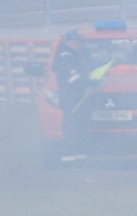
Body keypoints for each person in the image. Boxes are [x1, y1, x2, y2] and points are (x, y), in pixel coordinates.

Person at [51, 29, 92, 160]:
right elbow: (72, 77)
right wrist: (89, 81)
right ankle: (68, 153)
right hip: (70, 95)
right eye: (77, 41)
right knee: (71, 124)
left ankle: (79, 152)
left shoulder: (74, 54)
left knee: (79, 124)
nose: (79, 44)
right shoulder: (65, 56)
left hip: (76, 95)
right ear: (71, 42)